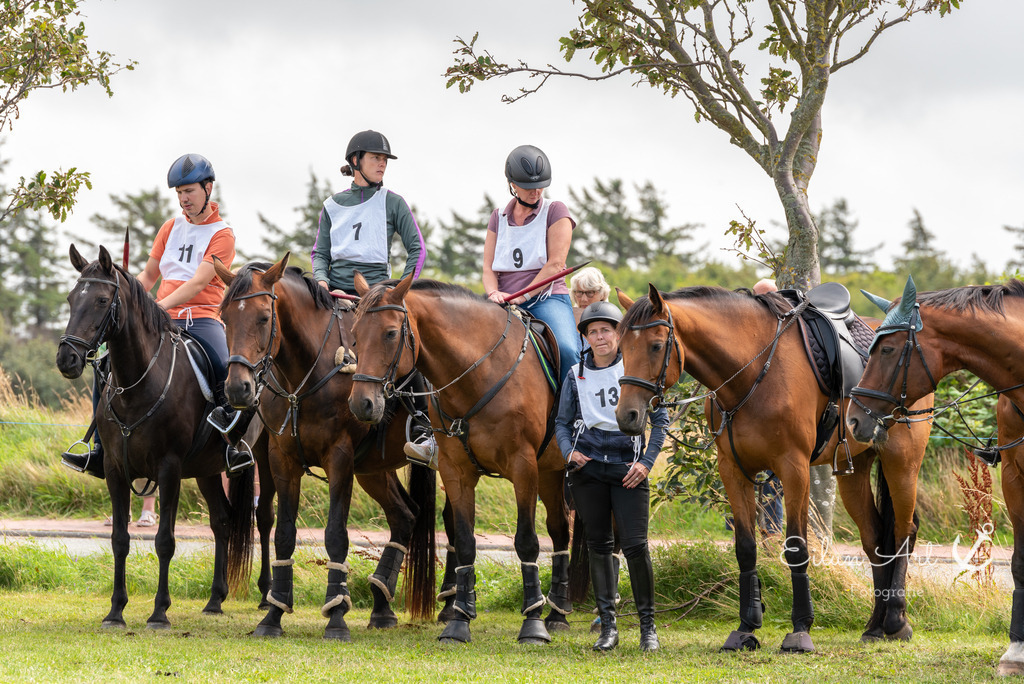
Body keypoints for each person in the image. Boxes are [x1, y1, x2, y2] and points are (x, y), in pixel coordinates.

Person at [62, 154, 254, 478]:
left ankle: (231, 445)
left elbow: (197, 283)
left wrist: (157, 307)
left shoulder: (223, 234)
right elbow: (149, 276)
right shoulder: (170, 227)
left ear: (208, 188)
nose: (183, 199)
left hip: (202, 317)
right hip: (160, 319)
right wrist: (125, 298)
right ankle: (97, 447)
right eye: (179, 193)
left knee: (224, 365)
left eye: (189, 191)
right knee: (106, 364)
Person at [309, 130, 435, 468]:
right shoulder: (331, 205)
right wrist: (320, 279)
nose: (382, 163)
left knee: (413, 351)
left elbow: (417, 249)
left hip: (378, 301)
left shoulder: (393, 202)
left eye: (385, 159)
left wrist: (397, 290)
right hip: (333, 297)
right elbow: (319, 253)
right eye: (376, 158)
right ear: (355, 162)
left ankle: (424, 429)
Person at [555, 301, 668, 652]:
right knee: (598, 546)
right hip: (589, 470)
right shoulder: (575, 375)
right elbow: (561, 422)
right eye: (593, 332)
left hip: (628, 470)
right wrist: (568, 453)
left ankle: (648, 628)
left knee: (635, 547)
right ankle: (608, 626)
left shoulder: (635, 368)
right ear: (585, 338)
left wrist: (646, 463)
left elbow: (660, 421)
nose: (600, 337)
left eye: (606, 330)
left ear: (618, 334)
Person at [482, 144, 581, 384]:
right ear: (512, 185)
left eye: (540, 186)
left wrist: (521, 296)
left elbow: (556, 264)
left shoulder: (556, 211)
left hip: (547, 298)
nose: (536, 192)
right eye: (528, 187)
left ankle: (577, 415)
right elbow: (488, 268)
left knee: (569, 350)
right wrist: (493, 293)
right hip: (503, 298)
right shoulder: (498, 217)